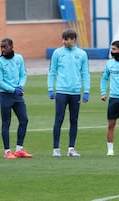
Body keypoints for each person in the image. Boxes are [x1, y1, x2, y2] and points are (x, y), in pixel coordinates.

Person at [47, 29, 90, 157]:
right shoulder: (57, 53)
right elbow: (52, 71)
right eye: (63, 39)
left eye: (67, 39)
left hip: (75, 92)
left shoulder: (82, 54)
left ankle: (71, 149)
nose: (64, 42)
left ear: (73, 39)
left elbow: (85, 73)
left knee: (74, 120)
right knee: (58, 119)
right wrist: (51, 89)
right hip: (61, 91)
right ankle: (56, 149)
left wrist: (86, 91)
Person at [0, 38, 32, 159]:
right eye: (1, 47)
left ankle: (19, 149)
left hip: (17, 94)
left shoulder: (19, 58)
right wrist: (13, 89)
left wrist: (20, 86)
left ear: (11, 46)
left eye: (5, 47)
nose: (3, 49)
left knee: (24, 119)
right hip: (5, 95)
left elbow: (23, 74)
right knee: (6, 122)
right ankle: (7, 151)